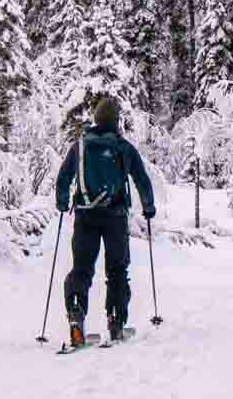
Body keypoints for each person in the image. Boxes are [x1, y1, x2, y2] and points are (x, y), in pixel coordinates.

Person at [55, 93, 156, 346]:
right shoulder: (123, 147)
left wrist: (62, 203)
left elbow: (63, 177)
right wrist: (149, 208)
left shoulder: (79, 147)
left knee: (81, 269)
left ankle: (76, 315)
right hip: (115, 217)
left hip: (85, 216)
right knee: (117, 270)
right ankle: (116, 321)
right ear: (116, 121)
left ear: (96, 120)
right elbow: (142, 179)